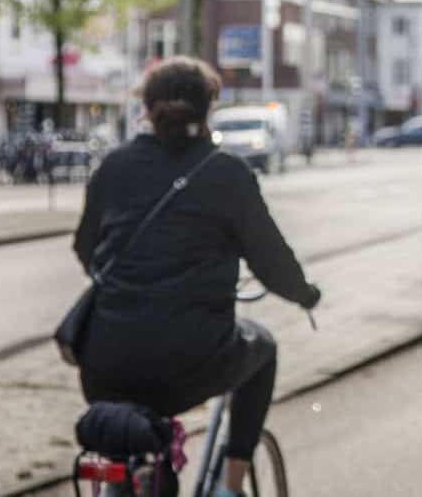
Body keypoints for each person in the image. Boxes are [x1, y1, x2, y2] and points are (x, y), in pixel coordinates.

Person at [72, 57, 320, 497]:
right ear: (208, 109)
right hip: (192, 362)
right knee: (262, 350)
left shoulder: (114, 167)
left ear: (145, 109)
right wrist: (305, 295)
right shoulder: (227, 173)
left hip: (104, 365)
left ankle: (125, 478)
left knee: (124, 433)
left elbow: (85, 249)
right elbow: (270, 260)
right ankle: (230, 485)